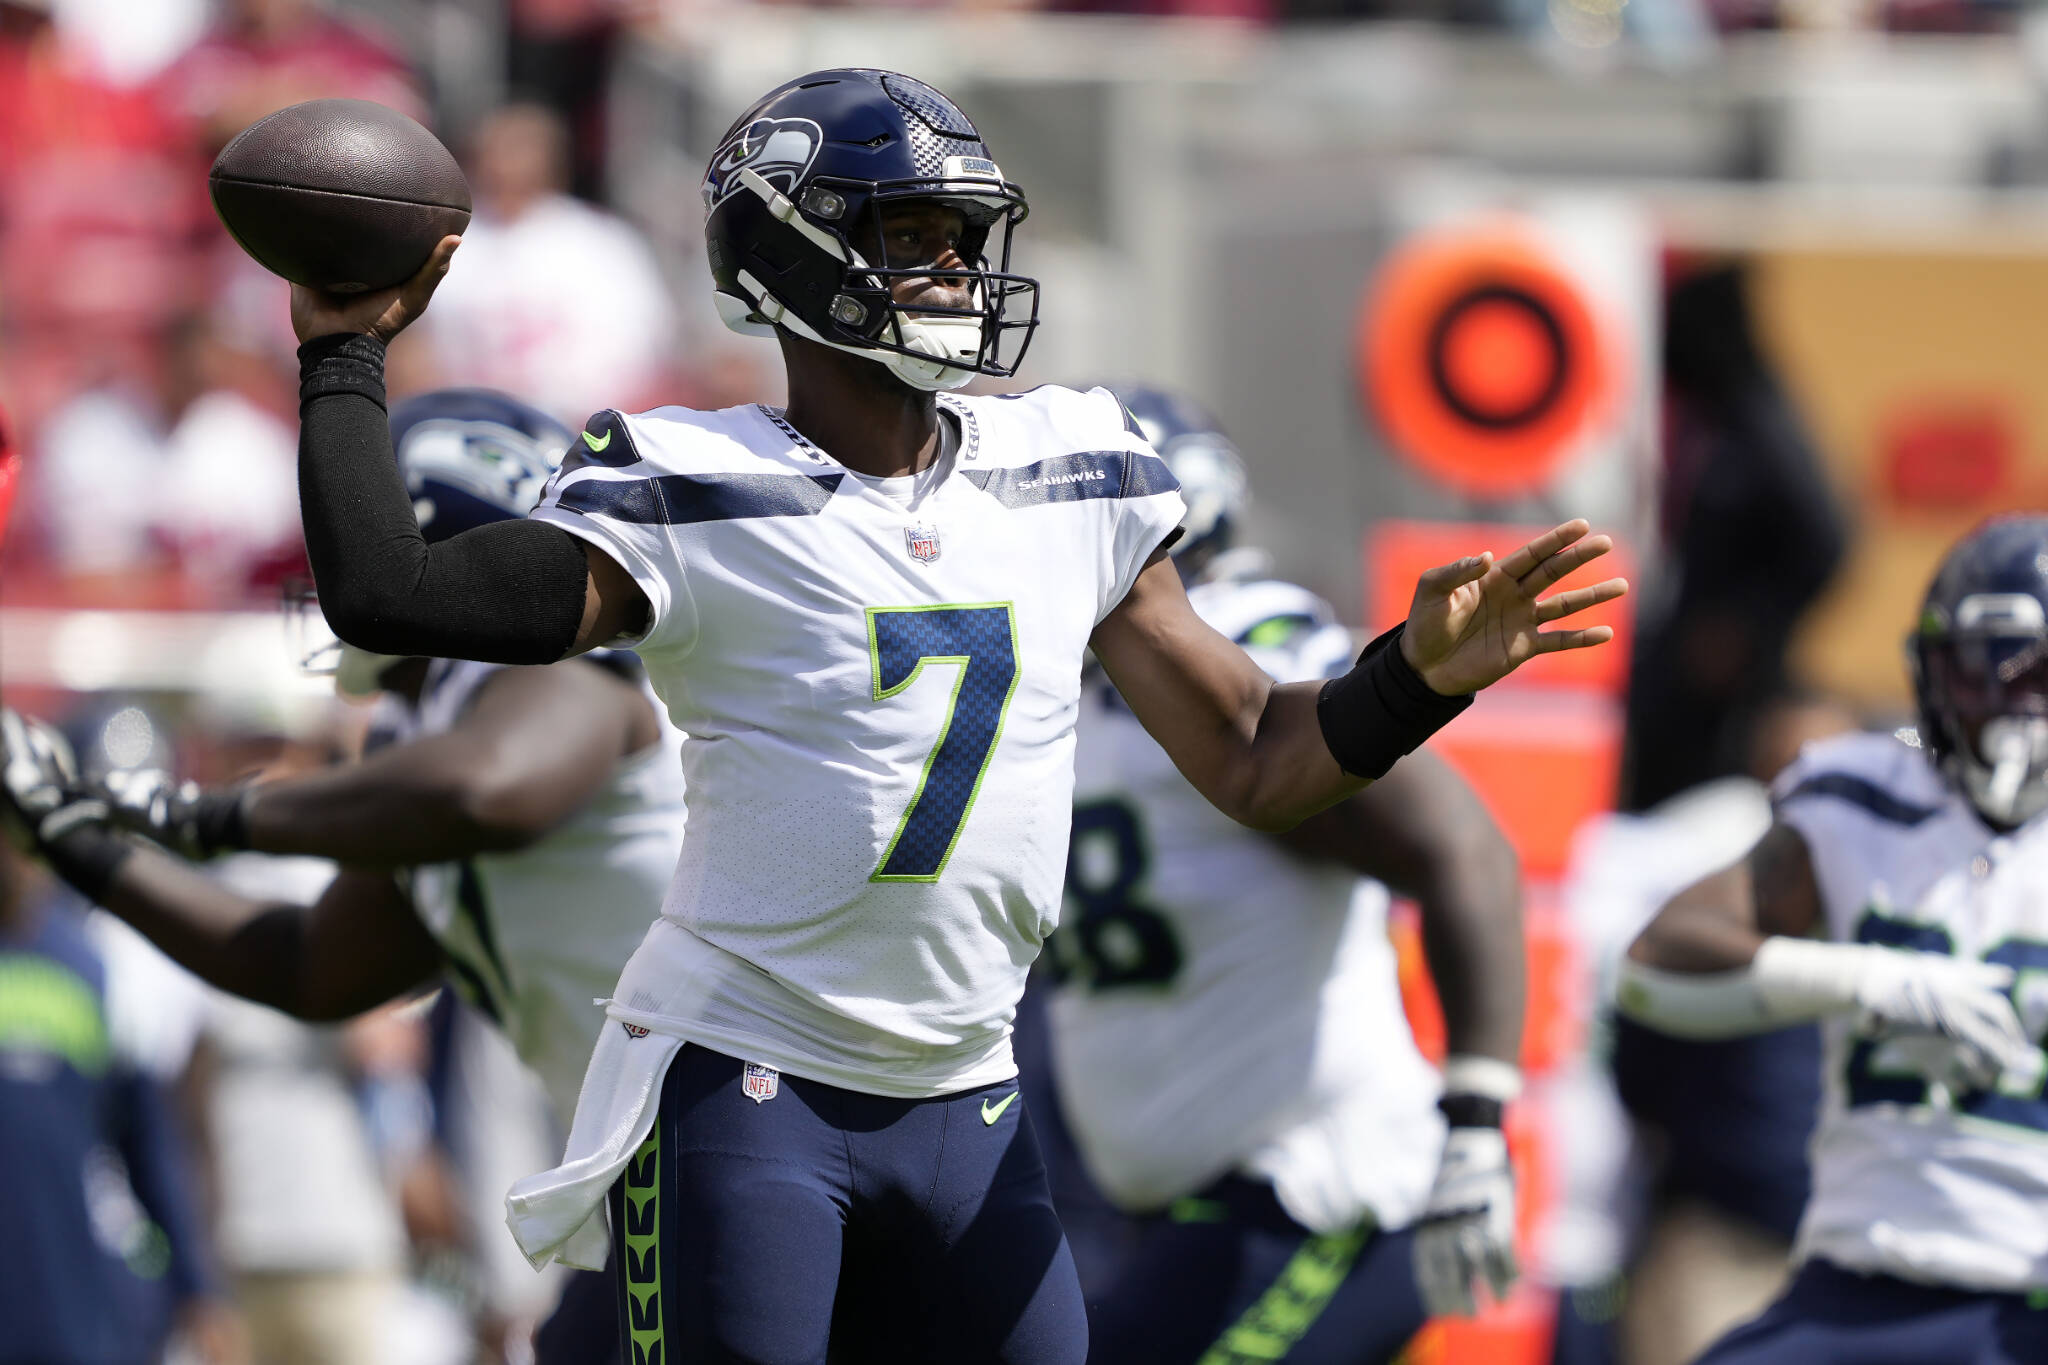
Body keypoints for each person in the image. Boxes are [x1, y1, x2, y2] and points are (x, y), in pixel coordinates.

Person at [264, 68, 1621, 1362]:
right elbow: (393, 592)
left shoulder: (1069, 470)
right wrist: (343, 355)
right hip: (748, 1080)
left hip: (968, 1094)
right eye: (913, 235)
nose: (959, 272)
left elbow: (1263, 756)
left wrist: (1414, 679)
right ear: (789, 260)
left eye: (964, 237)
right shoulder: (693, 486)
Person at [0, 387, 686, 1365]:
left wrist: (202, 815)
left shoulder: (550, 673)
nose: (339, 577)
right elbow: (310, 964)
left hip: (748, 1127)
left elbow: (489, 791)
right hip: (646, 1175)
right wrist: (83, 847)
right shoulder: (423, 727)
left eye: (359, 543)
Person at [1039, 387, 1525, 1363]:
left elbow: (1458, 846)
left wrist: (1475, 1119)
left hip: (1317, 1187)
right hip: (1175, 1208)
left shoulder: (1240, 639)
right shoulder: (1059, 682)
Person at [1615, 514, 2048, 1364]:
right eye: (1987, 673)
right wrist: (1859, 977)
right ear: (1932, 672)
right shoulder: (1865, 790)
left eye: (2039, 678)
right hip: (1865, 1276)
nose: (2012, 709)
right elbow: (1655, 961)